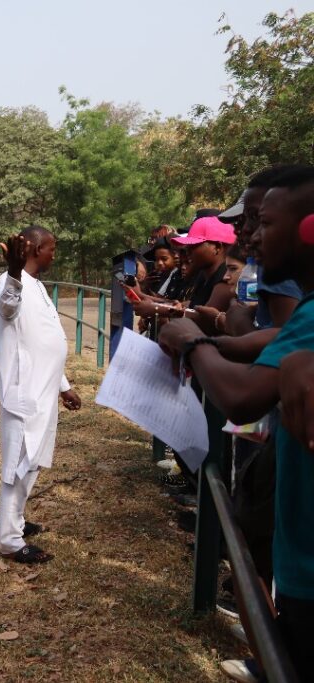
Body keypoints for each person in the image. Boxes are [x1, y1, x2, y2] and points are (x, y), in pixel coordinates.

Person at [158, 165, 314, 681]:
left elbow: (242, 397)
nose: (250, 236)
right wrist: (221, 340)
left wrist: (193, 344)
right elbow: (273, 342)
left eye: (264, 222)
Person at [0, 226, 82, 564]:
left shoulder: (38, 285)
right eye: (51, 249)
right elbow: (7, 309)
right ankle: (10, 541)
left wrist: (64, 385)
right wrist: (14, 271)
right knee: (18, 464)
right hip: (24, 391)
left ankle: (15, 521)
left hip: (44, 390)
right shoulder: (10, 281)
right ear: (35, 249)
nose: (53, 255)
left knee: (32, 462)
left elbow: (43, 342)